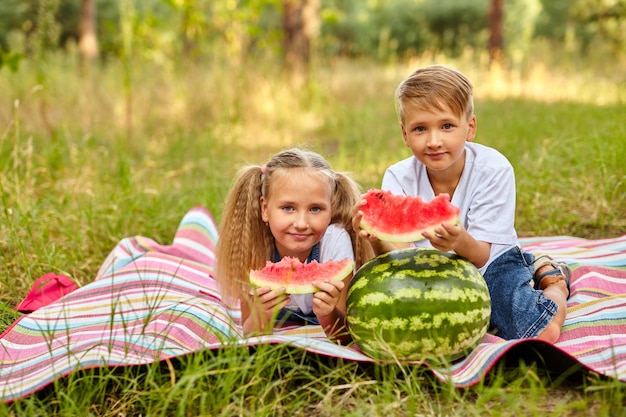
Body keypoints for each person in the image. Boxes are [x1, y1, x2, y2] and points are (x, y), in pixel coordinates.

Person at [353, 65, 571, 342]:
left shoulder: (494, 169)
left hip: (492, 263)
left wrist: (456, 241)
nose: (434, 141)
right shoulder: (397, 176)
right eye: (420, 129)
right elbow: (397, 254)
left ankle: (553, 279)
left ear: (470, 128)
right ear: (405, 135)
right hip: (427, 272)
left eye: (446, 126)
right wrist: (375, 238)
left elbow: (480, 255)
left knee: (540, 333)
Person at [216, 148, 373, 342]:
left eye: (315, 209)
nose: (301, 223)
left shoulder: (335, 242)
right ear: (265, 209)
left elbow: (346, 337)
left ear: (331, 208)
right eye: (288, 208)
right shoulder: (255, 244)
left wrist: (328, 314)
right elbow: (249, 335)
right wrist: (261, 314)